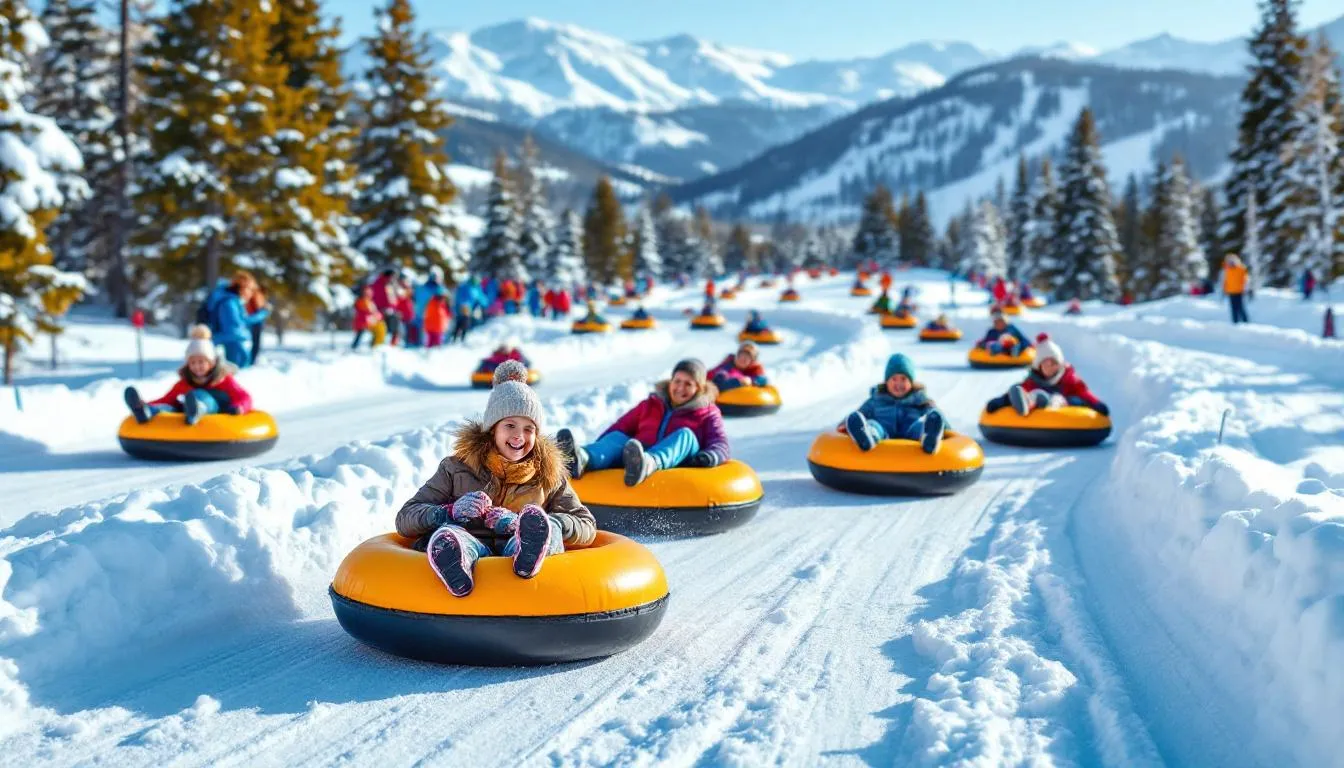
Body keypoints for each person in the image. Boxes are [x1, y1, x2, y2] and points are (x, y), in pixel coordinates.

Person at [394, 361, 596, 597]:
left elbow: (586, 525)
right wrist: (448, 512)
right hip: (473, 546)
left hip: (519, 554)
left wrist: (525, 523)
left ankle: (529, 551)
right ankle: (455, 566)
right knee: (452, 536)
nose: (519, 436)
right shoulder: (456, 468)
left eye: (529, 428)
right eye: (510, 425)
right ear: (493, 430)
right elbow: (405, 519)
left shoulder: (548, 476)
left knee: (547, 527)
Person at [556, 359, 729, 487]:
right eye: (677, 381)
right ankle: (583, 458)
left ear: (698, 388)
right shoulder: (651, 404)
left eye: (688, 384)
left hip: (676, 461)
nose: (680, 388)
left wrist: (709, 457)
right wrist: (602, 447)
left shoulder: (708, 413)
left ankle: (648, 463)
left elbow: (720, 443)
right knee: (617, 436)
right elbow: (619, 427)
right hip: (635, 457)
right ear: (670, 382)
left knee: (686, 435)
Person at [123, 325, 253, 426]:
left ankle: (198, 408)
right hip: (186, 409)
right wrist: (148, 404)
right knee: (172, 406)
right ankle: (146, 411)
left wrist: (239, 407)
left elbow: (244, 397)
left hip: (217, 412)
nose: (197, 366)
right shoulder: (185, 382)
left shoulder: (224, 380)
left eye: (201, 362)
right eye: (193, 363)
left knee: (201, 397)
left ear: (212, 363)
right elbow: (168, 398)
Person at [843, 353, 946, 455]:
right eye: (894, 379)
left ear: (911, 382)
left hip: (912, 439)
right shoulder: (877, 399)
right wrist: (844, 425)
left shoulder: (920, 399)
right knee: (873, 425)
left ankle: (929, 439)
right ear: (886, 381)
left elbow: (937, 417)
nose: (898, 384)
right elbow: (859, 414)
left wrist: (945, 428)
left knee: (921, 425)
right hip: (883, 437)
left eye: (903, 379)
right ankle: (866, 437)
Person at [985, 334, 1109, 417]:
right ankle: (1032, 402)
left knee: (1073, 400)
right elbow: (1020, 390)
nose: (1050, 367)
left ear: (1060, 364)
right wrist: (999, 402)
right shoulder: (1034, 380)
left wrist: (1096, 403)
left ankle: (1046, 401)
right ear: (1039, 366)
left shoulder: (1069, 379)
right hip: (1038, 401)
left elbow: (1084, 393)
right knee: (1030, 394)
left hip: (1064, 405)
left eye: (1054, 363)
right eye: (1046, 364)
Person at [204, 271, 269, 368]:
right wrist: (261, 314)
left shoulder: (233, 301)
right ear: (243, 288)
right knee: (237, 373)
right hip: (234, 345)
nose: (251, 294)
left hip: (234, 343)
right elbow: (234, 327)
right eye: (250, 289)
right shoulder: (229, 302)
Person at [410, 267, 447, 347]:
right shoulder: (438, 289)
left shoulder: (423, 288)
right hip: (428, 317)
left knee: (423, 337)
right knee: (428, 338)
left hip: (423, 316)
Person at [1222, 253, 1250, 324]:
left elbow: (1246, 280)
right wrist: (1225, 289)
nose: (1230, 262)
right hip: (1231, 292)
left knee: (1241, 308)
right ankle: (1235, 322)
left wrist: (1245, 289)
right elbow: (1225, 281)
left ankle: (1245, 322)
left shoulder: (1241, 269)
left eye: (1232, 260)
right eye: (1229, 261)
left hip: (1239, 291)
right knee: (1233, 308)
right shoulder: (1227, 270)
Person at [351, 285, 382, 349]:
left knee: (362, 334)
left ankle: (374, 345)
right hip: (363, 322)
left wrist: (378, 316)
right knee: (360, 334)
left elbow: (374, 311)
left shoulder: (369, 301)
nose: (369, 294)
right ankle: (355, 347)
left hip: (368, 322)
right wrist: (376, 315)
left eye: (370, 292)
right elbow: (368, 311)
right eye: (366, 292)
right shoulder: (361, 301)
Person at [246, 283, 268, 365]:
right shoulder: (257, 294)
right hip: (256, 322)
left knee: (255, 343)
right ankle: (251, 361)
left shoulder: (255, 294)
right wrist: (265, 310)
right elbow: (259, 308)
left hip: (255, 321)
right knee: (255, 343)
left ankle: (252, 360)